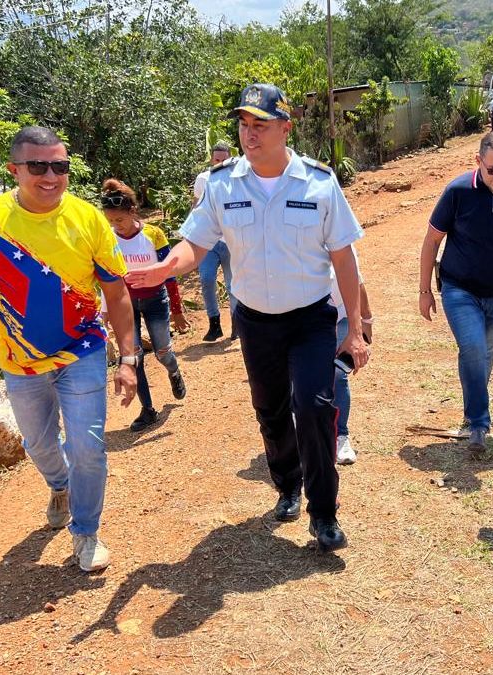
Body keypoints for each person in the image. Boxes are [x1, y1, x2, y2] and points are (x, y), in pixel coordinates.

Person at [128, 83, 369, 552]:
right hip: (255, 320)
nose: (249, 134)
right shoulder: (221, 184)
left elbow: (344, 257)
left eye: (260, 125)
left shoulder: (319, 183)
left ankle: (324, 513)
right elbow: (194, 244)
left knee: (315, 408)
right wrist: (164, 268)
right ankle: (287, 486)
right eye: (243, 124)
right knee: (272, 409)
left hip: (311, 318)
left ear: (285, 127)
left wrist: (355, 328)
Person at [0, 126, 137, 573]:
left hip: (83, 349)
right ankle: (60, 485)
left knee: (88, 445)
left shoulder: (88, 219)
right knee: (37, 442)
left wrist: (129, 358)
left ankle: (86, 531)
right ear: (14, 170)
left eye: (60, 166)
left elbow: (117, 293)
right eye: (37, 166)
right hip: (20, 360)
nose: (50, 175)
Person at [419, 129, 493, 455]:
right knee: (472, 347)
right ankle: (478, 423)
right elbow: (432, 240)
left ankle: (473, 408)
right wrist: (424, 290)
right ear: (478, 161)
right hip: (459, 288)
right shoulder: (458, 192)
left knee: (485, 354)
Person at [99, 178, 188, 432]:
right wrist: (105, 311)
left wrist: (177, 311)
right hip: (125, 303)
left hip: (155, 300)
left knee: (162, 353)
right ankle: (148, 410)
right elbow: (108, 278)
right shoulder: (108, 239)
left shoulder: (153, 234)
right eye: (111, 221)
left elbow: (169, 274)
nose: (116, 226)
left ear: (132, 211)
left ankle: (174, 370)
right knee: (133, 356)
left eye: (120, 220)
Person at [330, 256, 374, 465]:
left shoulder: (336, 236)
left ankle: (341, 436)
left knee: (338, 374)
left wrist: (366, 320)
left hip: (341, 314)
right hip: (303, 318)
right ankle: (300, 436)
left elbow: (357, 280)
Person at [193, 142, 237, 341]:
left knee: (233, 284)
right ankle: (214, 323)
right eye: (216, 159)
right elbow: (196, 208)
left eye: (224, 159)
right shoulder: (203, 179)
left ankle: (237, 323)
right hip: (209, 241)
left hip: (232, 240)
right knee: (207, 279)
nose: (220, 163)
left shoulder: (239, 179)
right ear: (212, 159)